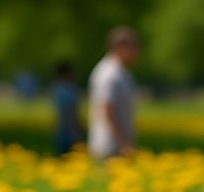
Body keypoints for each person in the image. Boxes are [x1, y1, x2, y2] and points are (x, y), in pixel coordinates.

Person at [88, 26, 140, 160]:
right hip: (110, 148)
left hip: (117, 146)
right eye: (134, 47)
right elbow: (107, 111)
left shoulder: (120, 72)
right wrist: (125, 143)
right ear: (121, 47)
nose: (137, 52)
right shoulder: (110, 74)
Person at [52, 61, 83, 155]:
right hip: (69, 134)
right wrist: (77, 135)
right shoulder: (69, 91)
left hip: (60, 132)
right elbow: (71, 114)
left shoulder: (56, 89)